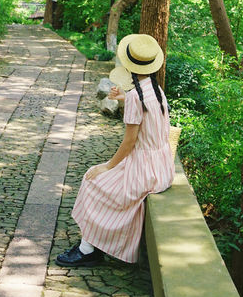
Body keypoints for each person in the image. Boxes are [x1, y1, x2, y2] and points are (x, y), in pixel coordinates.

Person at [56, 33, 175, 268]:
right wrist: (124, 98)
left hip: (144, 170)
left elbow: (130, 142)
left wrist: (107, 166)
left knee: (93, 181)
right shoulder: (155, 89)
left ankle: (88, 250)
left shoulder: (135, 97)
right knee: (99, 179)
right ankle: (92, 245)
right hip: (162, 166)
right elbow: (146, 117)